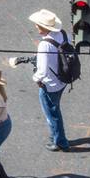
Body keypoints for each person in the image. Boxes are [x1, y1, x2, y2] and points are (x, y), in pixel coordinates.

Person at [29, 9, 70, 152]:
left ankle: (60, 142)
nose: (36, 26)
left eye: (38, 25)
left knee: (52, 114)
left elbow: (42, 71)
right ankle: (55, 136)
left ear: (44, 27)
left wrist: (35, 79)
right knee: (55, 108)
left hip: (50, 84)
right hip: (63, 79)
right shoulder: (64, 34)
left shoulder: (44, 45)